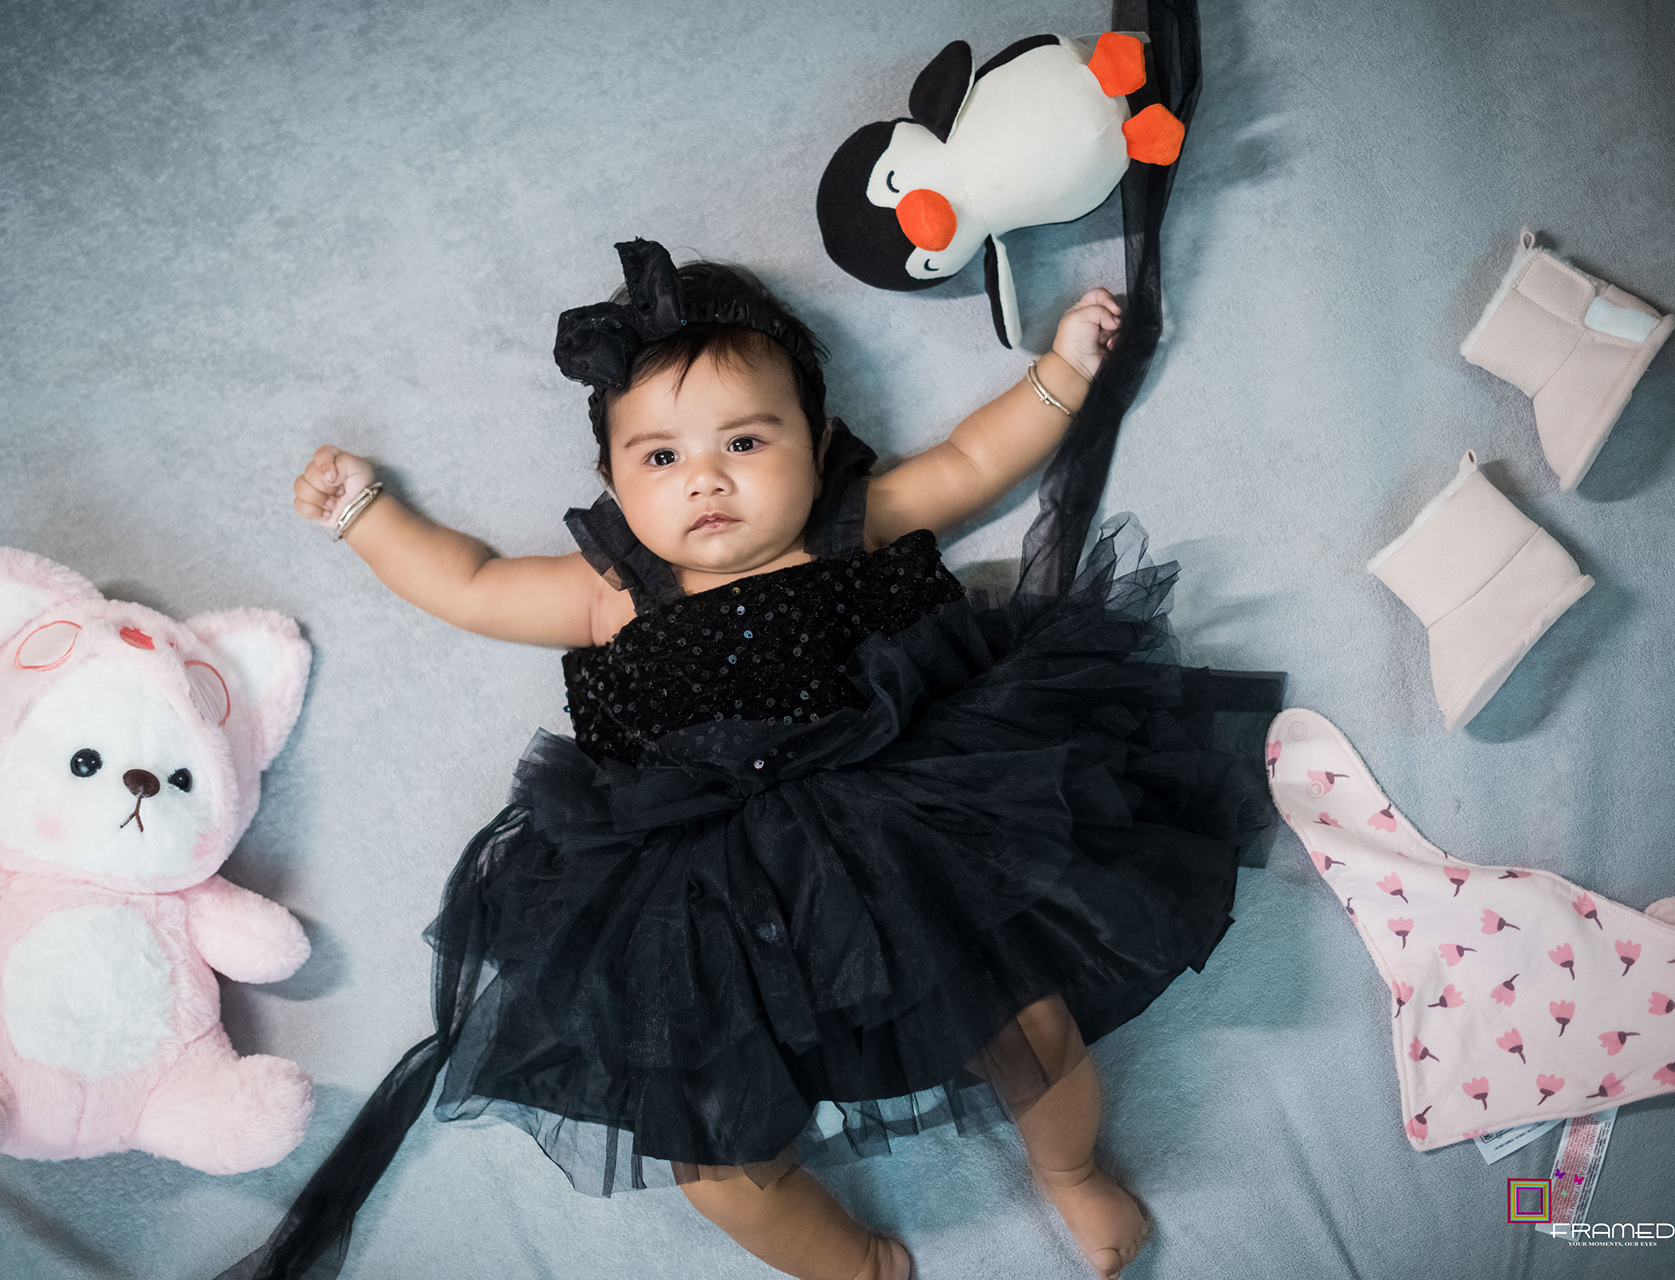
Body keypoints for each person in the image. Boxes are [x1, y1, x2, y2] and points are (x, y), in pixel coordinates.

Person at [235, 235, 1282, 1280]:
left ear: (816, 443)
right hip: (705, 901)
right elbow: (469, 584)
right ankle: (853, 1262)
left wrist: (1062, 372)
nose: (706, 478)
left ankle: (1074, 1169)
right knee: (713, 1157)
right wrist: (368, 516)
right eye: (661, 458)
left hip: (908, 833)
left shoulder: (850, 524)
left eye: (745, 441)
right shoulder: (608, 595)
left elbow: (971, 460)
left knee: (1034, 1029)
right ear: (612, 479)